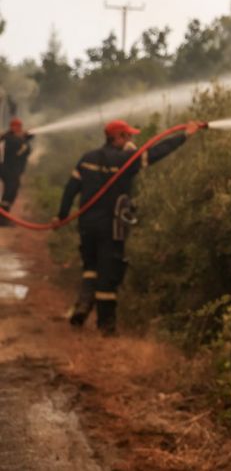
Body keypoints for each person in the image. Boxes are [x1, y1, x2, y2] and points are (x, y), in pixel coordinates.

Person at [57, 118, 202, 336]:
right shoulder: (126, 160)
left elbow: (70, 189)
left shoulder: (87, 159)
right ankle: (106, 327)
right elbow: (156, 152)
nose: (131, 140)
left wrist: (61, 216)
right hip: (111, 225)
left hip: (86, 223)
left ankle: (82, 306)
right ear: (118, 137)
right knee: (109, 273)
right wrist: (185, 135)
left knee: (90, 267)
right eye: (128, 136)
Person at [0, 117, 33, 220]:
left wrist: (27, 137)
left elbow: (24, 144)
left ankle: (3, 216)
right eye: (18, 127)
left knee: (12, 190)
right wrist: (25, 139)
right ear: (13, 127)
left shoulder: (10, 137)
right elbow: (25, 149)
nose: (20, 129)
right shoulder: (11, 139)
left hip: (10, 169)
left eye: (20, 127)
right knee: (10, 191)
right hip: (9, 169)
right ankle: (2, 218)